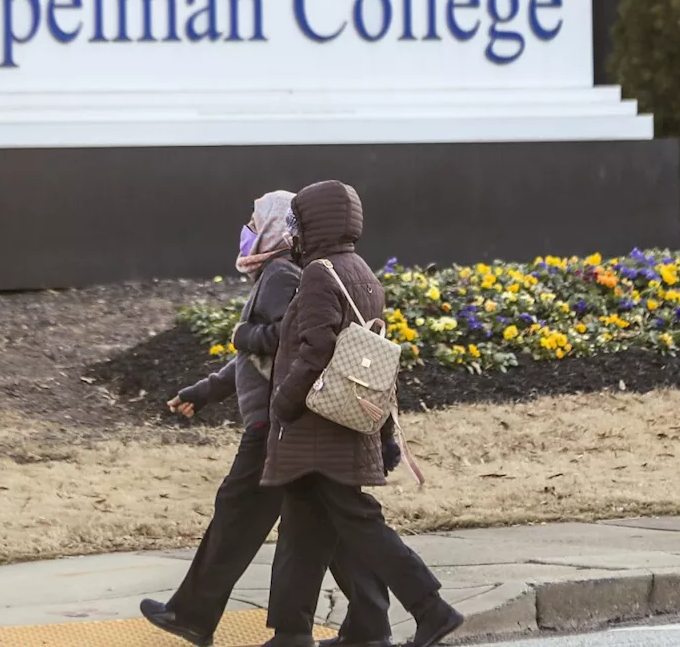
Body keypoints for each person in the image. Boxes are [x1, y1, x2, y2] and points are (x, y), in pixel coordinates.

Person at [141, 190, 396, 647]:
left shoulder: (280, 275)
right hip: (278, 421)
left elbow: (288, 342)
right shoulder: (283, 273)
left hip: (275, 425)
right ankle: (368, 626)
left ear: (276, 226)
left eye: (254, 220)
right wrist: (203, 392)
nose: (248, 228)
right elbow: (254, 362)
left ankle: (195, 616)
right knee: (325, 526)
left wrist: (244, 333)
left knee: (238, 517)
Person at [260, 181, 464, 647]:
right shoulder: (362, 272)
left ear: (316, 224)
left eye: (298, 221)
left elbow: (317, 349)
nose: (293, 231)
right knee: (303, 527)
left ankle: (432, 610)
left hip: (318, 426)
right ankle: (296, 631)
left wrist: (284, 402)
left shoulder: (318, 273)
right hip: (347, 423)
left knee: (361, 525)